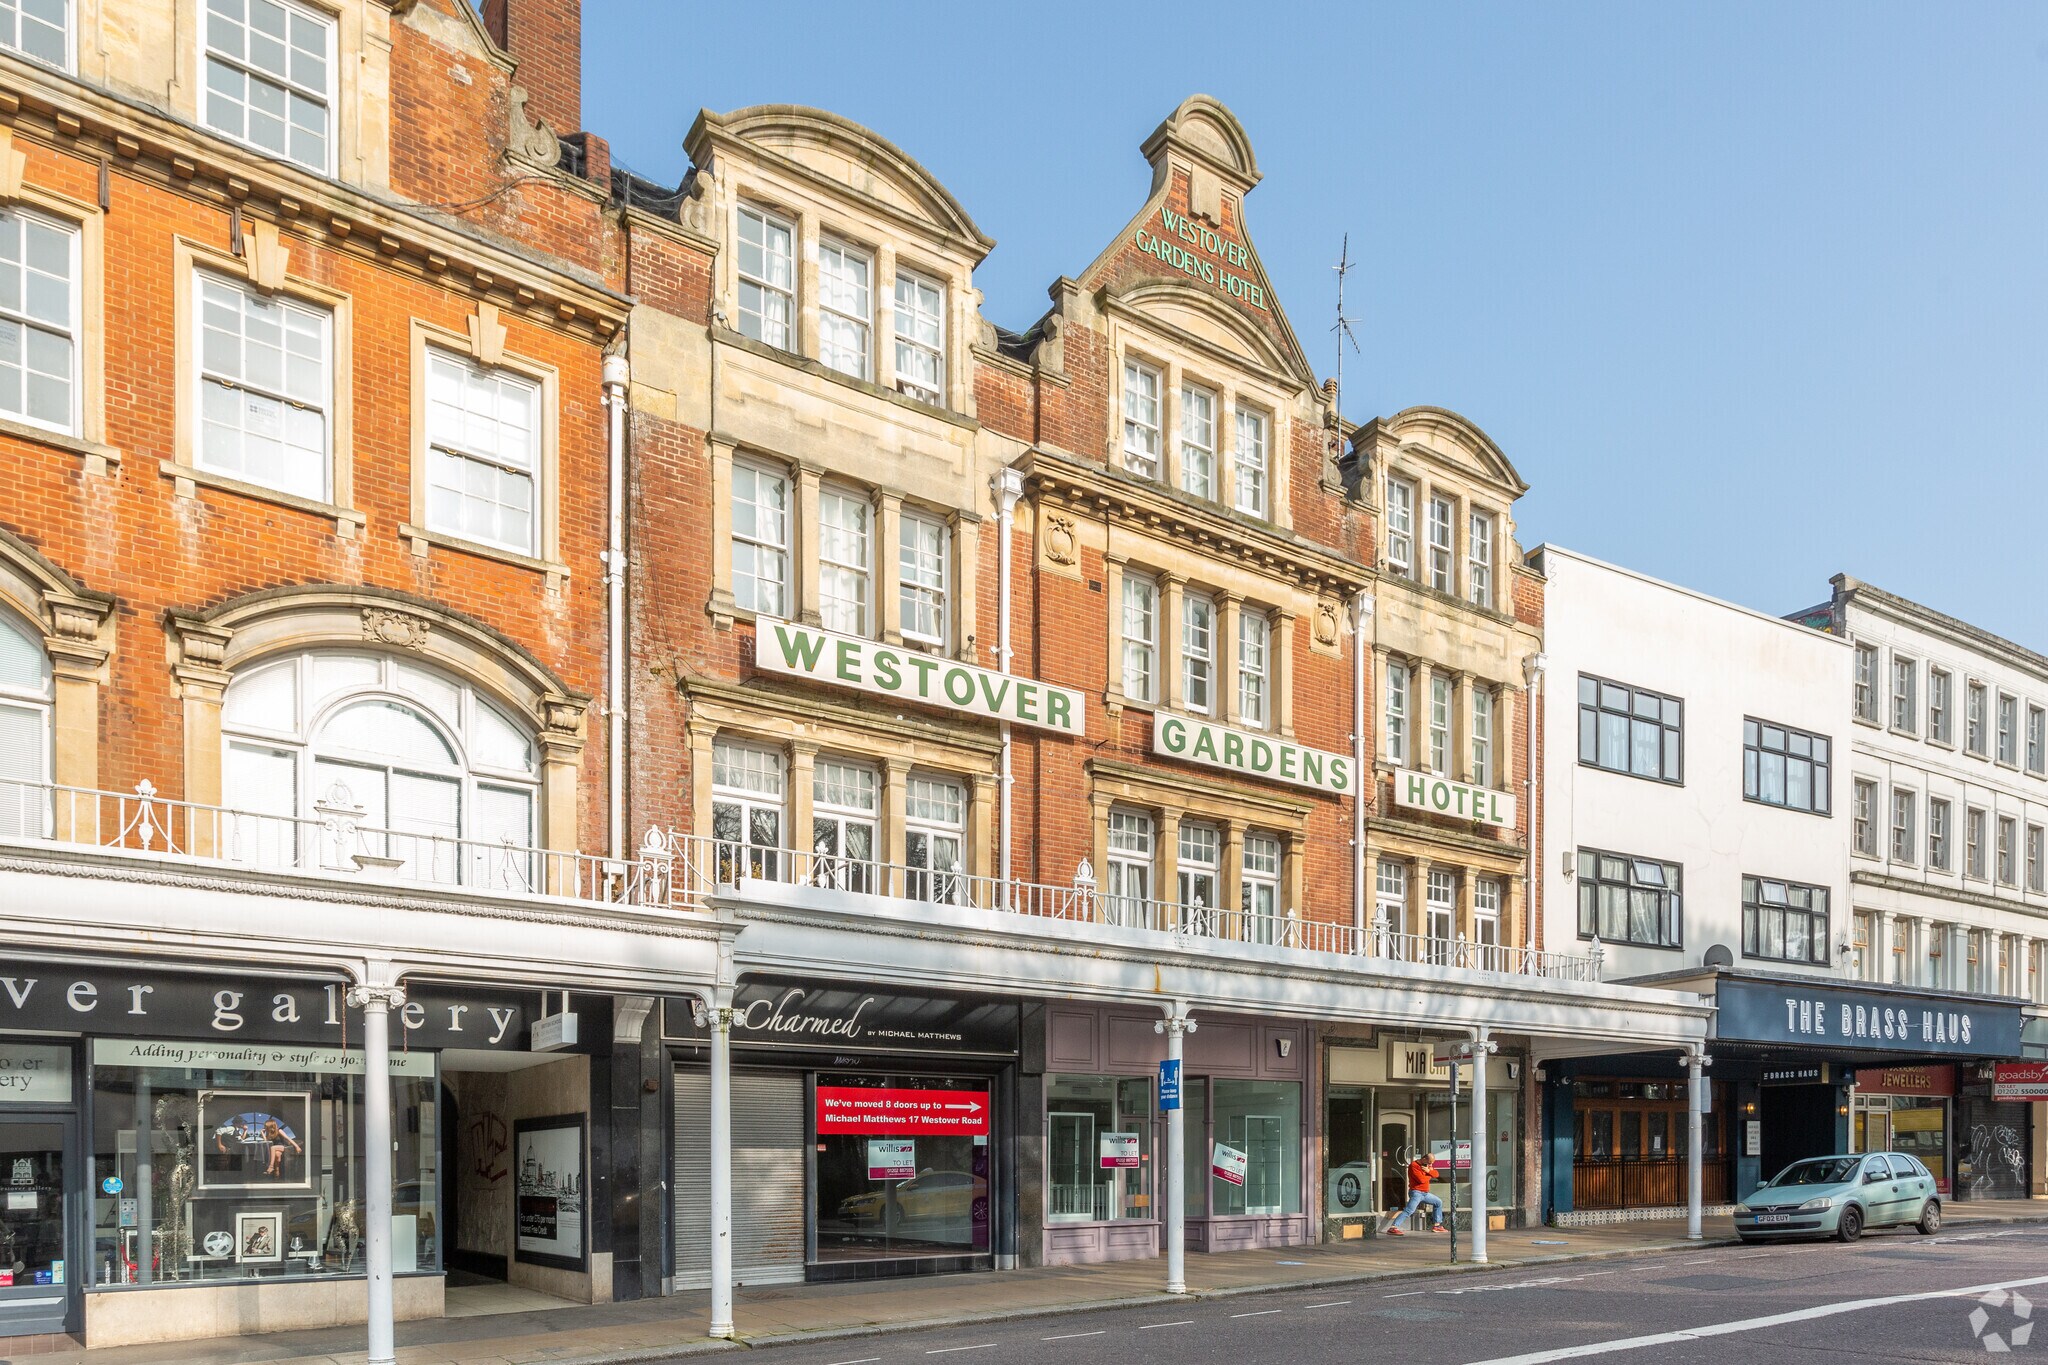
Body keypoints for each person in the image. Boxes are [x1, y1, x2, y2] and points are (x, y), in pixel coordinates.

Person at [1386, 1153, 1447, 1235]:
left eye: (1431, 1163)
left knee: (1438, 1202)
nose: (1430, 1164)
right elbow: (1421, 1180)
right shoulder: (1413, 1166)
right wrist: (1429, 1174)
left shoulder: (1426, 1166)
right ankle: (1393, 1227)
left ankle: (1437, 1225)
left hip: (1425, 1193)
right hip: (1416, 1192)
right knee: (1409, 1210)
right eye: (1429, 1162)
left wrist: (1428, 1171)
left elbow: (1436, 1174)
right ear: (1424, 1158)